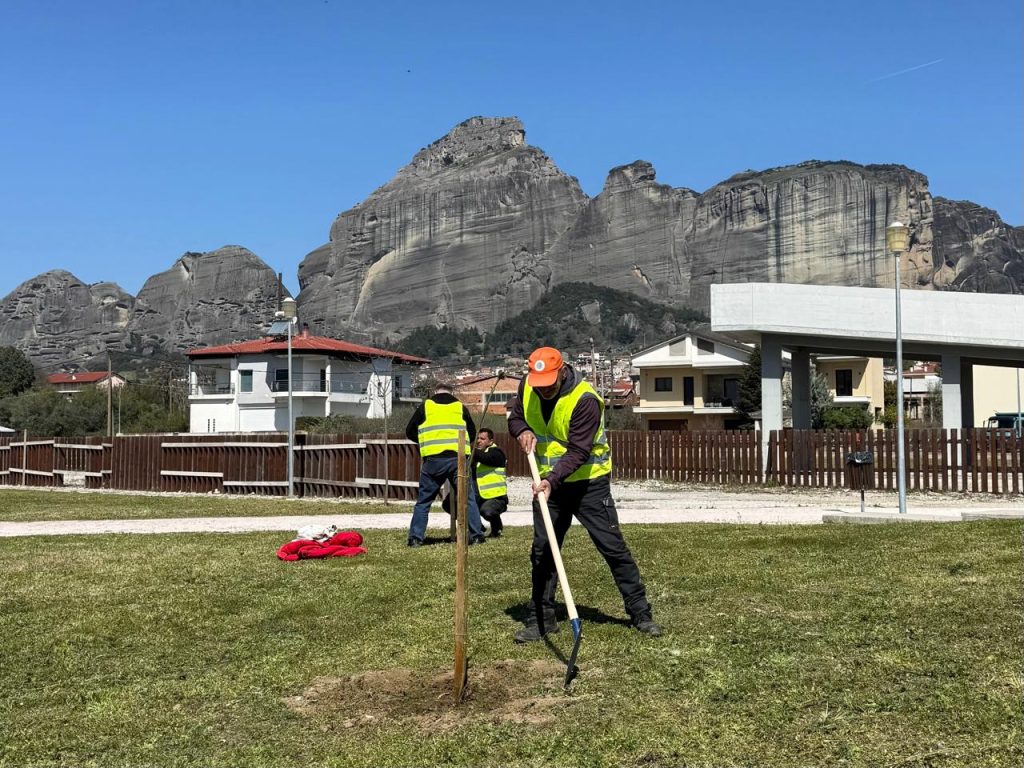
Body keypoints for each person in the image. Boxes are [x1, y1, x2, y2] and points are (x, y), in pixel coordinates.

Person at [507, 347, 661, 641]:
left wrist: (552, 479)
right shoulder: (528, 386)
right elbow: (516, 417)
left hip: (588, 485)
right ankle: (541, 620)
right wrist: (521, 430)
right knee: (543, 551)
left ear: (563, 371)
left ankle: (641, 614)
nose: (543, 390)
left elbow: (579, 450)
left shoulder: (585, 400)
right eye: (539, 385)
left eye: (549, 384)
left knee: (612, 547)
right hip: (548, 487)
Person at [405, 383, 487, 547]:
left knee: (424, 501)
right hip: (458, 459)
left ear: (435, 392)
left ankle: (415, 538)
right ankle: (477, 535)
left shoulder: (426, 406)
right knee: (467, 498)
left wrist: (425, 440)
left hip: (433, 460)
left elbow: (410, 431)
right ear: (452, 393)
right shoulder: (460, 407)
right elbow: (472, 433)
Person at [444, 427, 509, 538]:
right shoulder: (474, 456)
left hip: (495, 498)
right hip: (477, 497)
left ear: (491, 441)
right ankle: (477, 526)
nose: (478, 441)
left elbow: (484, 457)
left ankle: (496, 528)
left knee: (487, 511)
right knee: (448, 504)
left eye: (482, 439)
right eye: (477, 438)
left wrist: (466, 447)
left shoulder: (497, 453)